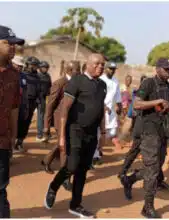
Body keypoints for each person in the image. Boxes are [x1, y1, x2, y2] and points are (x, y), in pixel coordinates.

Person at [44, 54, 106, 218]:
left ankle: (75, 205)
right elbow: (64, 108)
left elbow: (101, 111)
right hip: (75, 130)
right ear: (88, 64)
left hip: (91, 134)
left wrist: (103, 132)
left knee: (83, 170)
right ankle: (53, 186)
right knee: (72, 165)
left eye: (103, 64)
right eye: (97, 64)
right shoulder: (77, 81)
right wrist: (62, 136)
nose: (101, 67)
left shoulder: (102, 85)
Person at [121, 58, 169, 218]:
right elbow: (136, 104)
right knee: (152, 170)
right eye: (166, 69)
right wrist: (157, 101)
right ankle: (147, 207)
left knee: (156, 169)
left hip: (162, 131)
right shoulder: (148, 83)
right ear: (157, 69)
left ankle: (130, 180)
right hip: (148, 132)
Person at [41, 60, 81, 191]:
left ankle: (47, 160)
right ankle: (65, 178)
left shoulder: (78, 83)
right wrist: (46, 126)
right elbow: (50, 105)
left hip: (72, 119)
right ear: (69, 71)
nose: (79, 72)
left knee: (61, 144)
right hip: (60, 120)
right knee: (65, 148)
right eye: (77, 70)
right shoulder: (59, 83)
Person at [0, 25, 25, 218]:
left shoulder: (14, 76)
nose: (13, 48)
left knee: (1, 189)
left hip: (2, 142)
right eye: (8, 43)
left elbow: (15, 110)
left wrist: (13, 140)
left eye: (15, 45)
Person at [92, 62, 122, 166]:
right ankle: (95, 155)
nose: (112, 71)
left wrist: (119, 105)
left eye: (114, 69)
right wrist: (104, 106)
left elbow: (118, 95)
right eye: (110, 69)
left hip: (111, 112)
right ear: (105, 69)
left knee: (111, 133)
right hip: (100, 110)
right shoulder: (101, 80)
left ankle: (98, 150)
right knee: (99, 133)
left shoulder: (115, 81)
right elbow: (96, 96)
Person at [15, 56, 41, 152]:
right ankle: (13, 141)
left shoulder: (37, 77)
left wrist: (38, 102)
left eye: (35, 66)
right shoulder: (22, 75)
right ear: (27, 64)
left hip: (32, 103)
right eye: (32, 65)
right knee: (17, 121)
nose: (34, 67)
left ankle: (20, 142)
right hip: (21, 102)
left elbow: (39, 91)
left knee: (26, 123)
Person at [36, 61, 52, 142]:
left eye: (46, 68)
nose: (45, 69)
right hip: (37, 97)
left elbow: (50, 86)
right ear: (40, 68)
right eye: (43, 67)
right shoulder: (37, 75)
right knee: (40, 117)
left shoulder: (48, 76)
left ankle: (42, 133)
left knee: (42, 116)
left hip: (43, 98)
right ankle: (39, 135)